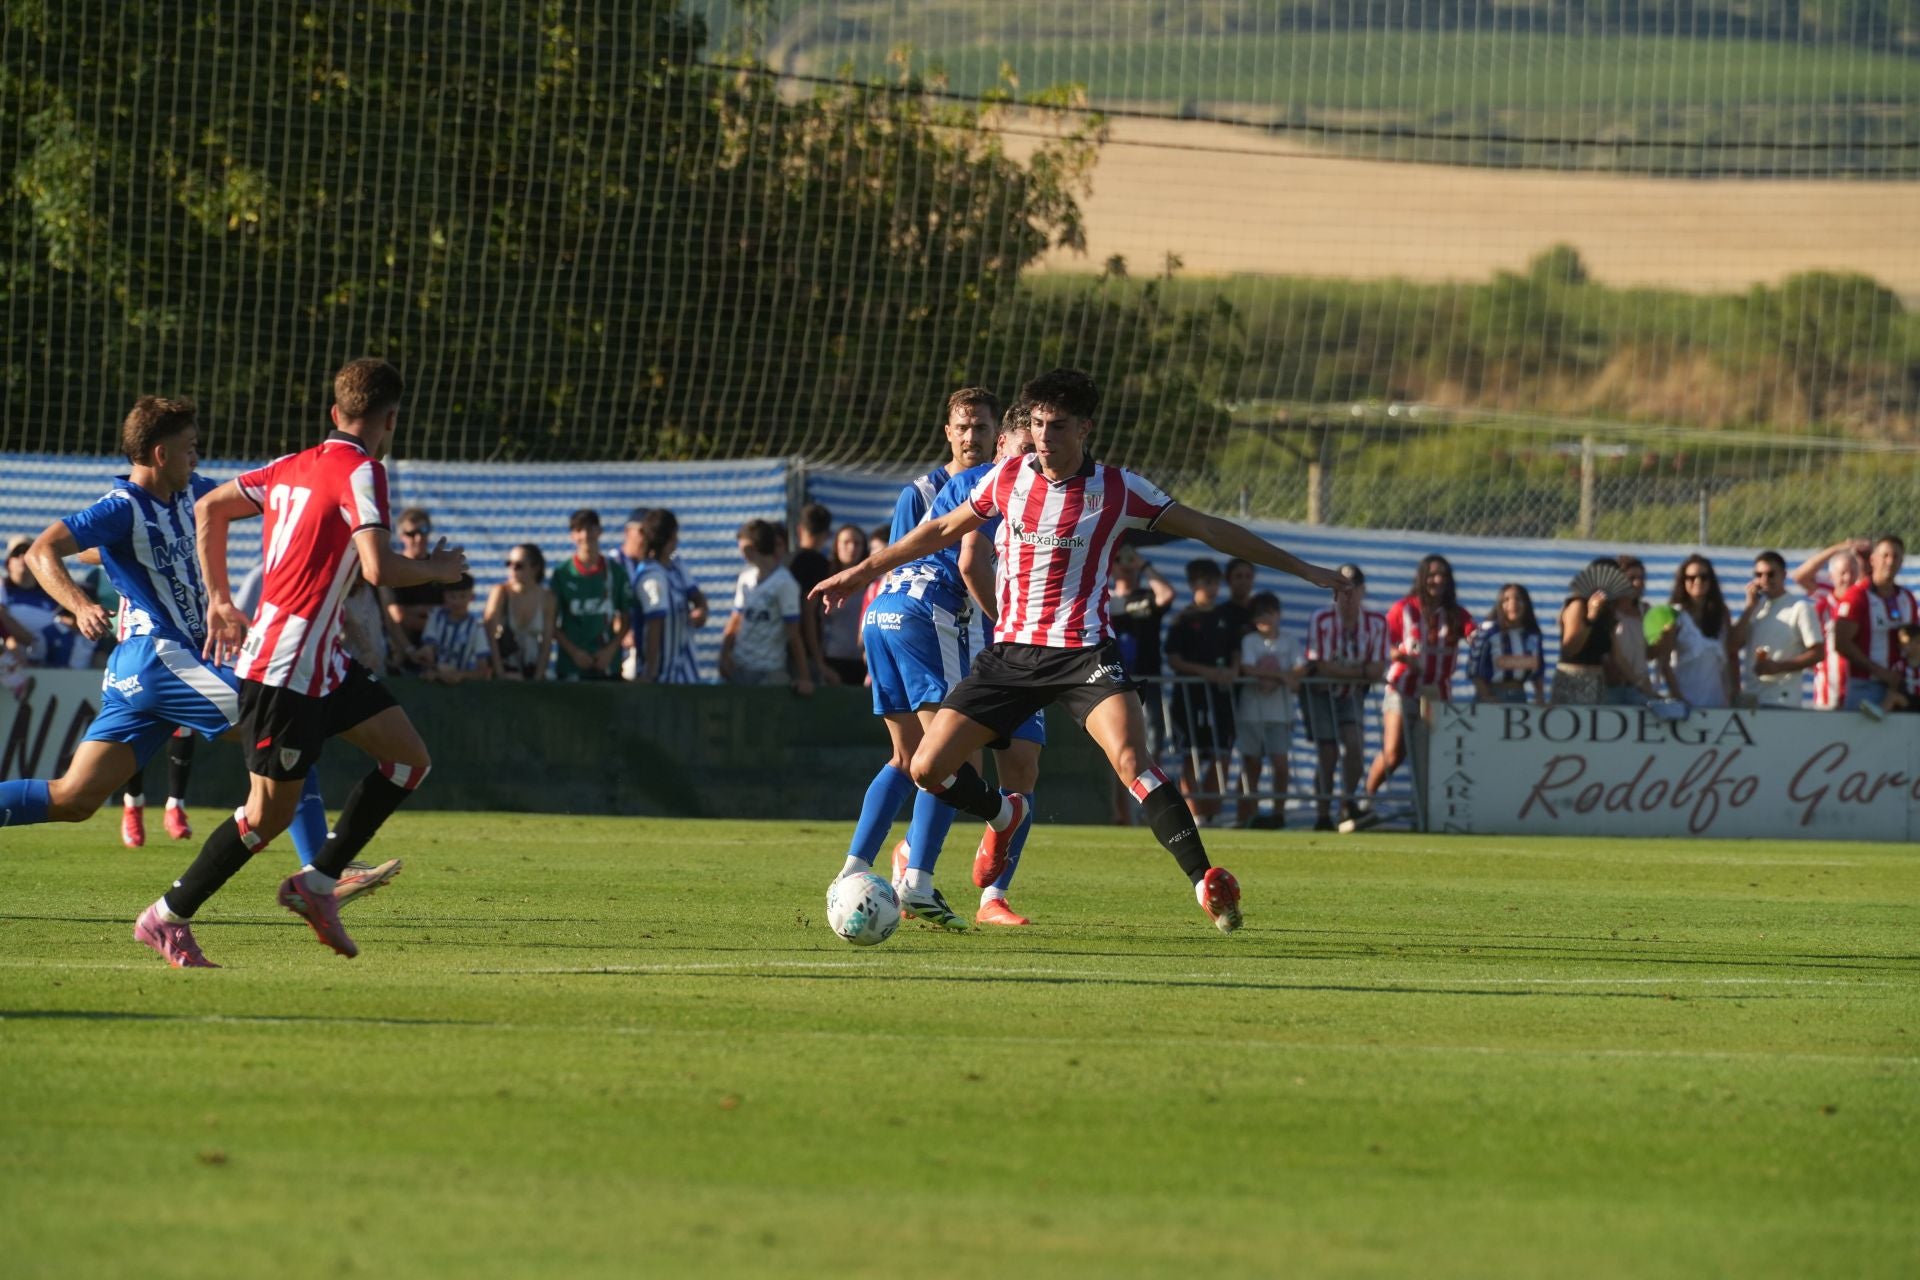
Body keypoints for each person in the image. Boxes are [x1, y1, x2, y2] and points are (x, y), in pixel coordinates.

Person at [812, 369, 1351, 934]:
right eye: (1038, 424)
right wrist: (858, 574)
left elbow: (1211, 529)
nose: (1044, 436)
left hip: (1085, 654)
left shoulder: (1119, 489)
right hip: (1012, 653)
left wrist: (1304, 569)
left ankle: (1204, 882)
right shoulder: (1006, 478)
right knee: (926, 768)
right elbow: (942, 529)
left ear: (1085, 428)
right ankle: (1005, 812)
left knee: (1130, 760)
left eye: (1057, 426)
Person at [0, 396, 387, 957]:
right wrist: (81, 604)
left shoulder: (194, 492)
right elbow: (42, 551)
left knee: (75, 797)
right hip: (160, 659)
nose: (197, 454)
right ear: (160, 453)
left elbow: (259, 500)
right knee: (288, 728)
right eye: (190, 447)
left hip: (150, 670)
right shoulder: (122, 506)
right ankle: (324, 869)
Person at [138, 358, 465, 967]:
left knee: (408, 760)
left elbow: (211, 508)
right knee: (264, 820)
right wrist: (439, 571)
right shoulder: (365, 471)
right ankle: (166, 916)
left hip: (323, 664)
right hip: (284, 669)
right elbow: (377, 567)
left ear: (335, 413)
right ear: (390, 419)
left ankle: (316, 885)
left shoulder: (292, 465)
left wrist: (220, 601)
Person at [842, 408, 1041, 929]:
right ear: (1004, 447)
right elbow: (968, 561)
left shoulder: (990, 484)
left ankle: (854, 870)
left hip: (886, 612)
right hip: (944, 622)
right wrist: (1015, 625)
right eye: (1024, 451)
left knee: (913, 756)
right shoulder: (1002, 487)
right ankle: (918, 879)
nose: (1033, 462)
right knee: (952, 759)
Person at [1348, 554, 1474, 832]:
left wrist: (1478, 636)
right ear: (1421, 578)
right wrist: (1403, 657)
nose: (1437, 580)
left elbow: (1472, 631)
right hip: (1402, 688)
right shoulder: (1404, 609)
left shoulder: (1456, 613)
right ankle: (1365, 803)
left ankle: (1424, 815)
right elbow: (1384, 643)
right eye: (1431, 574)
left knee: (1427, 757)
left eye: (1442, 574)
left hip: (1435, 694)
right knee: (1393, 752)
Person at [1301, 564, 1386, 831]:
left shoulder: (1376, 623)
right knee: (1328, 752)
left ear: (1362, 591)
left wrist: (1353, 673)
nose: (1346, 596)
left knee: (1355, 747)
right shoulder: (1321, 619)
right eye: (1340, 589)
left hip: (1351, 694)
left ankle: (1346, 804)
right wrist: (1359, 671)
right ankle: (1322, 814)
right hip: (1320, 692)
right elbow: (1322, 665)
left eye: (1351, 589)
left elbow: (1377, 669)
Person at [1164, 558, 1240, 827]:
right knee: (1191, 754)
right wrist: (1205, 672)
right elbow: (1174, 659)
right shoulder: (1183, 619)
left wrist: (1232, 670)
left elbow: (1235, 652)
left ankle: (1213, 812)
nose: (1212, 588)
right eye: (1207, 582)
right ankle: (1194, 815)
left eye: (1216, 582)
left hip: (1220, 697)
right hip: (1190, 698)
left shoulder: (1226, 617)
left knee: (1222, 754)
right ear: (1193, 584)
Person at [1106, 540, 1175, 825]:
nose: (1124, 563)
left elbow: (1167, 594)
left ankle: (1150, 811)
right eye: (1119, 559)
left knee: (1152, 747)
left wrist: (1143, 564)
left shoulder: (1146, 596)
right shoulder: (1104, 598)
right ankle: (1122, 815)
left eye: (1128, 558)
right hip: (1114, 683)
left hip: (1148, 681)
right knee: (1118, 750)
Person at [1233, 591, 1302, 828]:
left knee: (1281, 765)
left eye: (1269, 613)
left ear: (1278, 614)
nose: (1265, 619)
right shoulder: (1249, 641)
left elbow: (1301, 668)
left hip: (1280, 714)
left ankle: (1278, 813)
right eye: (1260, 614)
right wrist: (1282, 676)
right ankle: (1248, 814)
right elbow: (1248, 669)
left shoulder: (1290, 641)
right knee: (1251, 765)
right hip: (1251, 712)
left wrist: (1281, 677)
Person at [719, 519, 811, 694]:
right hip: (739, 667)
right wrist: (724, 655)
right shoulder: (745, 578)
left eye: (743, 546)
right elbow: (736, 619)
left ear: (753, 547)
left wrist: (804, 677)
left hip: (769, 671)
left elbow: (793, 633)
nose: (741, 552)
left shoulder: (785, 583)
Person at [1832, 534, 1917, 713]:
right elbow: (1841, 643)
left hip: (1900, 686)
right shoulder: (1857, 596)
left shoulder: (1906, 598)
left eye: (1896, 556)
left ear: (1902, 561)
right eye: (1885, 555)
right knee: (1858, 740)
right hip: (1866, 685)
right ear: (1873, 559)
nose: (1890, 561)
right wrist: (1880, 672)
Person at [1729, 551, 1821, 709]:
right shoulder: (1755, 608)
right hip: (1752, 699)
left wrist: (1779, 666)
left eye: (1771, 574)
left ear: (1783, 575)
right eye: (1759, 574)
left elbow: (1818, 653)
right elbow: (1733, 645)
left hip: (1783, 700)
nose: (1765, 580)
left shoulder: (1799, 608)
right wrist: (1749, 608)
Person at [627, 509, 707, 684]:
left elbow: (696, 594)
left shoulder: (675, 564)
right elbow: (654, 623)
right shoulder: (651, 575)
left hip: (685, 671)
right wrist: (650, 672)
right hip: (663, 677)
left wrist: (702, 609)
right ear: (667, 539)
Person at [551, 508, 629, 681]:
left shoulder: (615, 573)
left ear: (599, 531)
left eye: (590, 528)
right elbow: (551, 623)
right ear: (572, 535)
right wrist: (574, 652)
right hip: (571, 665)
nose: (585, 535)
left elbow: (626, 618)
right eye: (579, 530)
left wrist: (610, 651)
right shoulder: (562, 574)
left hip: (607, 664)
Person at [1654, 554, 1735, 708]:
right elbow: (1664, 661)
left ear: (1711, 581)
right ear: (1683, 581)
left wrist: (1729, 695)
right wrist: (1678, 697)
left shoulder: (1721, 614)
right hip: (1686, 703)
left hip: (1717, 703)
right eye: (1691, 577)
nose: (1698, 581)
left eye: (1703, 577)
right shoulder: (1674, 615)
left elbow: (1729, 657)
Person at [382, 506, 443, 671]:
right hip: (405, 652)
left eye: (423, 530)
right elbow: (398, 617)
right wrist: (435, 621)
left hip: (441, 654)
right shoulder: (394, 569)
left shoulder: (439, 568)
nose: (418, 538)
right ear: (402, 536)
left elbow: (455, 608)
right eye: (411, 533)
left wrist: (415, 611)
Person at [485, 543, 557, 680]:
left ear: (535, 568)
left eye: (518, 566)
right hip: (504, 666)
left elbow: (547, 642)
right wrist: (500, 673)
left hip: (532, 668)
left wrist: (537, 676)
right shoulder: (500, 592)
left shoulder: (548, 598)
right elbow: (489, 634)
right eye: (509, 564)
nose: (512, 569)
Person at [1552, 559, 1618, 705]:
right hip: (1574, 679)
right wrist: (1591, 616)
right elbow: (1570, 647)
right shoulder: (1578, 604)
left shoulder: (1609, 611)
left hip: (1597, 680)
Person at [1468, 583, 1545, 705]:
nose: (1512, 604)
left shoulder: (1532, 635)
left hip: (1519, 695)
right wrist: (1486, 696)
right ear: (1499, 604)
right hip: (1492, 695)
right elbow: (1475, 669)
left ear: (1526, 604)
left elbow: (1538, 670)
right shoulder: (1488, 631)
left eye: (1518, 599)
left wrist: (1539, 696)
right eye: (1506, 600)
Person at [1808, 546, 1864, 710]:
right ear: (1832, 576)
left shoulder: (1866, 606)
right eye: (1843, 573)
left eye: (1853, 573)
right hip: (1828, 693)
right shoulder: (1821, 608)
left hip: (1860, 689)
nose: (1848, 578)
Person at [819, 523, 870, 686]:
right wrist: (821, 665)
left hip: (866, 662)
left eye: (857, 543)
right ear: (836, 546)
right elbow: (814, 624)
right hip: (832, 660)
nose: (852, 547)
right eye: (846, 542)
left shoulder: (873, 584)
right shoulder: (825, 583)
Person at [418, 573, 492, 683]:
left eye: (462, 596)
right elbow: (428, 652)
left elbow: (483, 670)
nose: (457, 602)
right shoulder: (435, 617)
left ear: (472, 597)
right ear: (445, 596)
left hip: (462, 688)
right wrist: (433, 670)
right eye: (452, 596)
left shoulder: (476, 628)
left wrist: (460, 675)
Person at [1606, 555, 1658, 705]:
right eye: (1632, 578)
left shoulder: (1645, 610)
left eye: (1641, 578)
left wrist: (1666, 639)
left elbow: (1649, 653)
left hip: (1640, 686)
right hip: (1613, 685)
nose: (1638, 583)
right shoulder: (1609, 611)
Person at [1218, 557, 1258, 637]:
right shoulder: (1219, 614)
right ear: (1228, 579)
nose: (1244, 581)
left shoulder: (1260, 612)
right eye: (1238, 576)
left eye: (1248, 576)